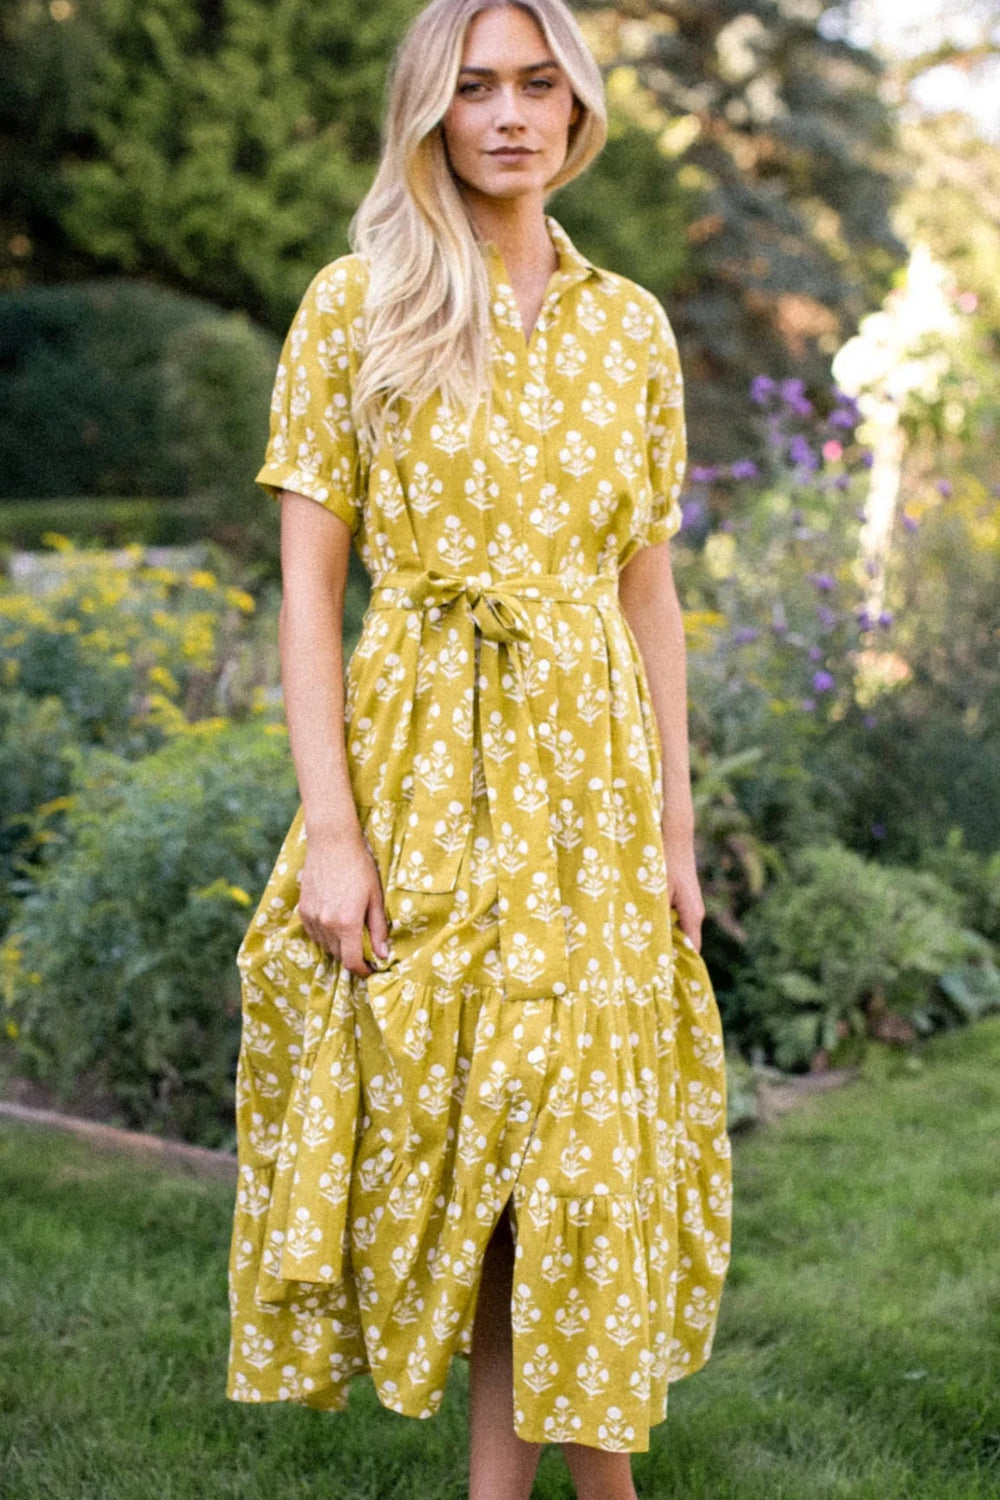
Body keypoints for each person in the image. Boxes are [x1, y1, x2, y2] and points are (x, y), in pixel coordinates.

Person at [225, 1, 732, 1495]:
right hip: (424, 766)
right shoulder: (356, 305)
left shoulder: (630, 326)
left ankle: (593, 1484)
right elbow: (309, 590)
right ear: (431, 113)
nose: (509, 114)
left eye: (536, 84)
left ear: (576, 106)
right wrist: (334, 833)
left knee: (585, 1151)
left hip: (592, 780)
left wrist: (677, 832)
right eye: (474, 87)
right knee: (478, 1153)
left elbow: (649, 595)